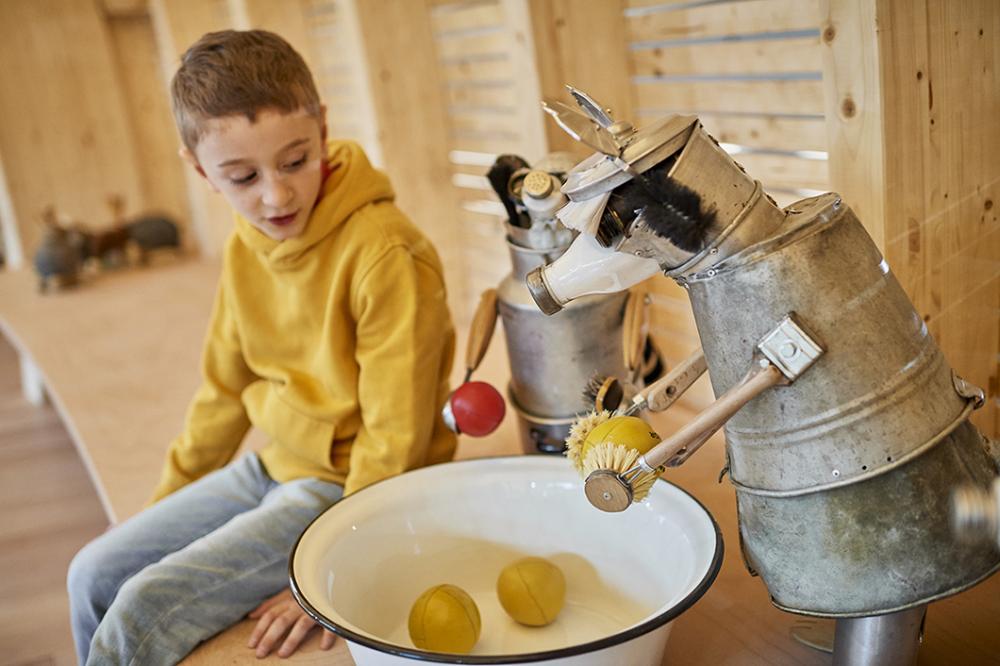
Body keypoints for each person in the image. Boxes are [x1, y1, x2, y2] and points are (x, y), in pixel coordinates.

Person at [67, 29, 456, 664]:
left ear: (323, 128)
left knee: (140, 612)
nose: (275, 196)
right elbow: (223, 391)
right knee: (92, 574)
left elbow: (394, 440)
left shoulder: (386, 252)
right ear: (200, 171)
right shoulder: (245, 246)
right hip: (274, 467)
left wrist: (333, 565)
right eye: (242, 176)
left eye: (296, 161)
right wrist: (159, 518)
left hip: (347, 489)